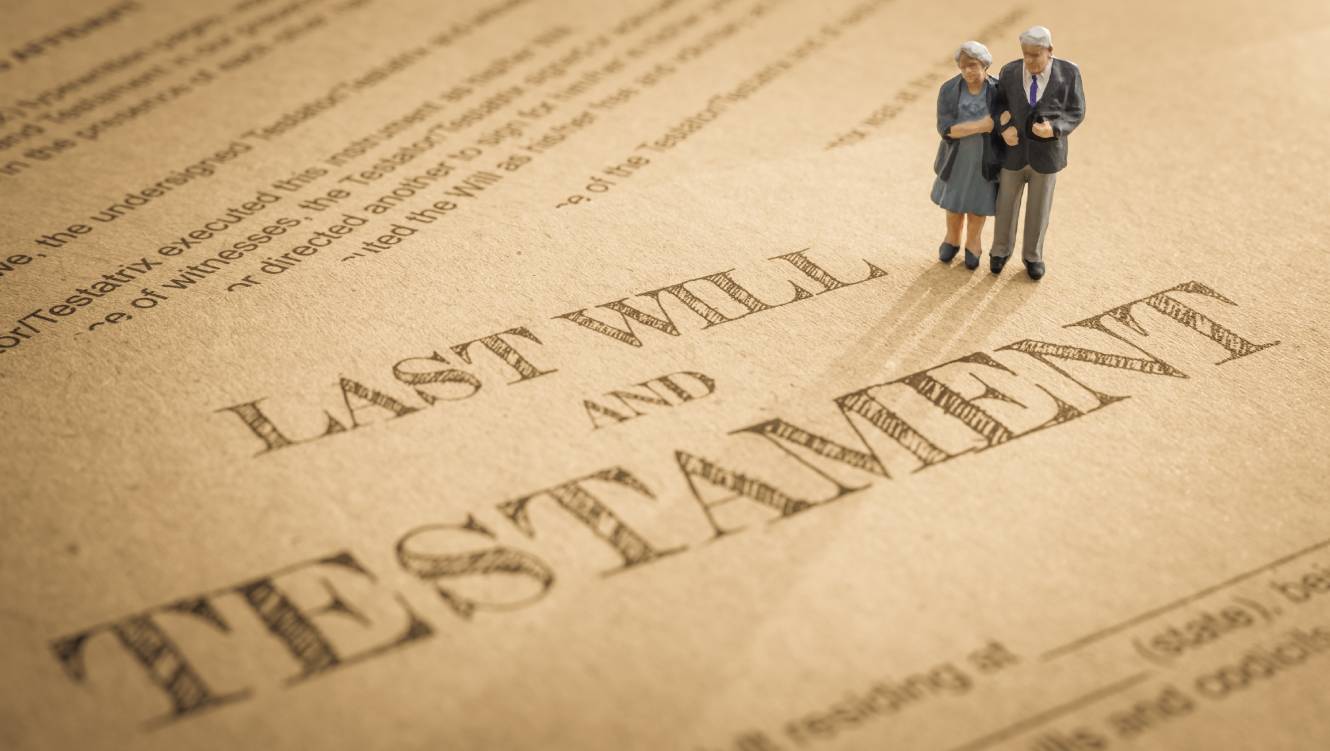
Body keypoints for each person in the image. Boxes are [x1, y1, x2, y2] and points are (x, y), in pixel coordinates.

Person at [989, 25, 1086, 280]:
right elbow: (998, 104)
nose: (1030, 60)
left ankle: (1033, 256)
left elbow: (1076, 111)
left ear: (1050, 50)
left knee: (1039, 209)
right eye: (1026, 54)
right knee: (1005, 205)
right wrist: (1004, 127)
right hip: (1013, 153)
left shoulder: (1069, 72)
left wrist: (1054, 129)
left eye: (1036, 55)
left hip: (1047, 156)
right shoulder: (1009, 71)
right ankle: (999, 251)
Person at [931, 41, 1006, 270]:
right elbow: (946, 129)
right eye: (963, 67)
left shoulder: (998, 90)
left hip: (985, 159)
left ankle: (973, 243)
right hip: (956, 158)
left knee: (978, 204)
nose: (967, 71)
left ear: (984, 65)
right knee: (954, 204)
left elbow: (1003, 122)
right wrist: (981, 125)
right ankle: (952, 238)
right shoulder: (949, 90)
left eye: (972, 65)